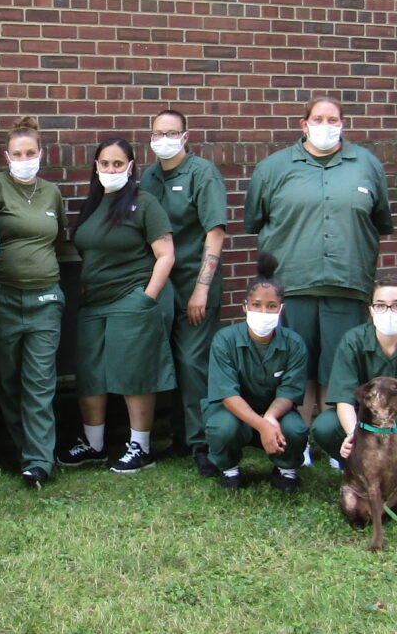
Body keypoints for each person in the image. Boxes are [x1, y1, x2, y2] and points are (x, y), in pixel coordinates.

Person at [243, 95, 392, 434]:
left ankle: (335, 435)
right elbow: (255, 221)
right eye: (318, 119)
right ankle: (300, 436)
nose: (326, 127)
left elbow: (380, 219)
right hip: (291, 283)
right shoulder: (273, 168)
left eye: (333, 120)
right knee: (298, 367)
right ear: (303, 124)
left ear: (343, 124)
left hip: (348, 283)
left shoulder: (367, 165)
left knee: (340, 366)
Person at [56, 138, 176, 474]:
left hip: (131, 299)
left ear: (131, 166)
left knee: (133, 374)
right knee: (91, 374)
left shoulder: (145, 203)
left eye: (118, 164)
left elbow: (166, 255)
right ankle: (94, 445)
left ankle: (141, 447)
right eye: (105, 163)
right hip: (93, 303)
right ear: (96, 166)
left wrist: (146, 298)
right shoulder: (93, 204)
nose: (111, 170)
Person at [0, 116, 70, 489]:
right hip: (1, 296)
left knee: (39, 382)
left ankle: (39, 461)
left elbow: (58, 239)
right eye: (17, 153)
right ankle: (22, 450)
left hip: (45, 298)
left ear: (41, 153)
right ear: (7, 156)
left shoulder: (52, 193)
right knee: (8, 380)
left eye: (30, 152)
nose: (24, 158)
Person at [138, 109, 229, 476]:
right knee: (171, 361)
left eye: (171, 132)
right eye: (158, 132)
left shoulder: (202, 173)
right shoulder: (148, 176)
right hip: (163, 285)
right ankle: (180, 435)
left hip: (194, 282)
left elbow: (215, 232)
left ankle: (204, 442)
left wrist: (201, 290)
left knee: (193, 363)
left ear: (186, 136)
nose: (164, 139)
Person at [311, 275, 397, 468]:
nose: (389, 312)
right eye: (380, 305)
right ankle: (356, 466)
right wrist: (355, 435)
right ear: (371, 310)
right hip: (364, 418)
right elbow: (343, 400)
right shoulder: (353, 340)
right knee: (324, 426)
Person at [202, 253, 310, 492]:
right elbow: (227, 394)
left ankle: (286, 469)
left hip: (275, 411)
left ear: (281, 309)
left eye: (271, 306)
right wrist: (261, 426)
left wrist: (270, 419)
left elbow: (290, 392)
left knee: (296, 429)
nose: (264, 312)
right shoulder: (225, 340)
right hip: (234, 413)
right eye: (257, 305)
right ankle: (229, 469)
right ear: (245, 307)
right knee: (222, 427)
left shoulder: (294, 343)